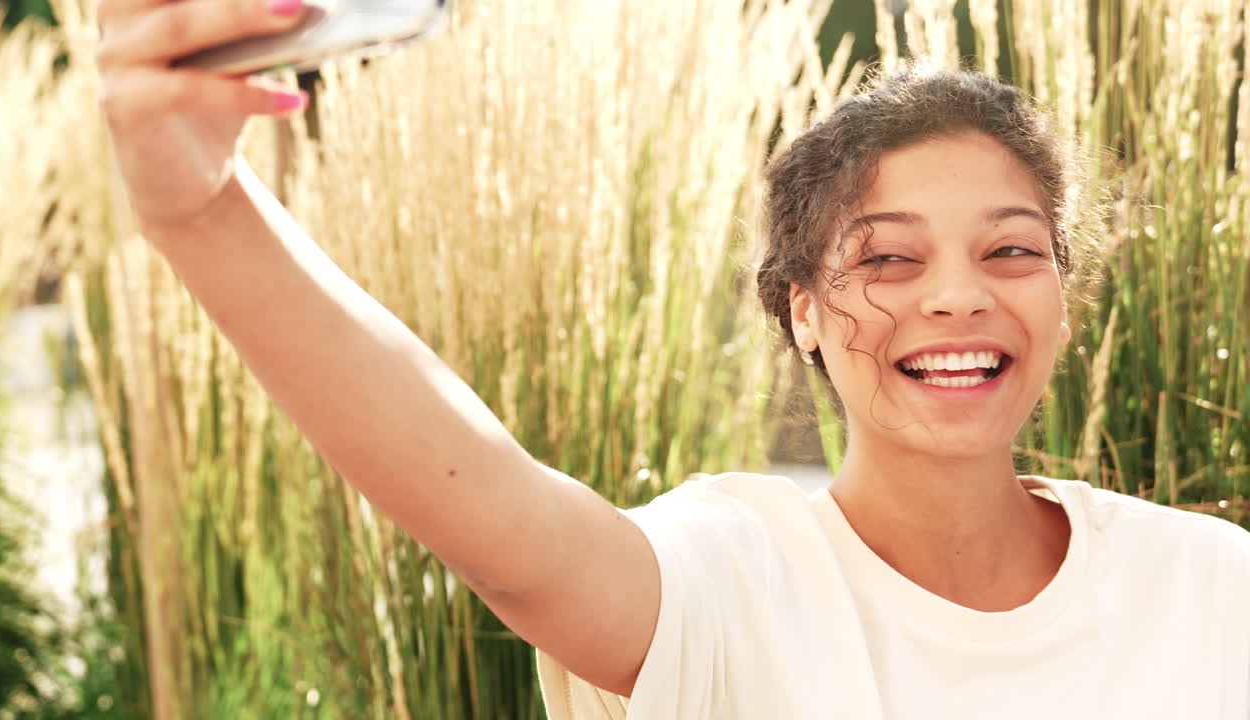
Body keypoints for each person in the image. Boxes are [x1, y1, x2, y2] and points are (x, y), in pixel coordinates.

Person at [94, 1, 1249, 717]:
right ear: (800, 310)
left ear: (1060, 295)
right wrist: (202, 210)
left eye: (1009, 250)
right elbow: (500, 524)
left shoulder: (1211, 589)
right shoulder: (726, 582)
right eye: (886, 261)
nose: (955, 295)